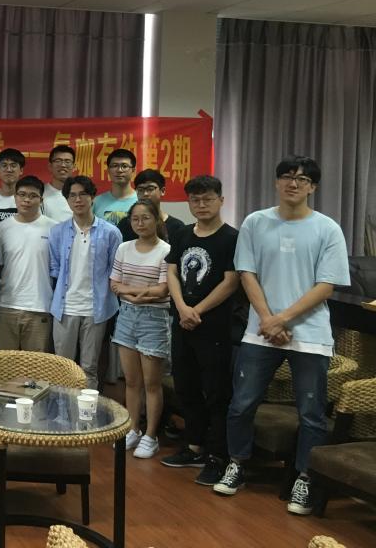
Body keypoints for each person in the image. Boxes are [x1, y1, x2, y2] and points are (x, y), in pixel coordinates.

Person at [213, 156, 350, 517]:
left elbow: (326, 285)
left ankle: (305, 477)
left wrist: (281, 319)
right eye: (287, 177)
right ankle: (237, 463)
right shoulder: (256, 222)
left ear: (313, 187)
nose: (293, 183)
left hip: (310, 334)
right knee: (241, 404)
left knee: (312, 413)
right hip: (260, 331)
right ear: (276, 182)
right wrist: (268, 320)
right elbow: (247, 274)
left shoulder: (327, 229)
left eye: (302, 179)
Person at [162, 175, 241, 487]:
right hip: (182, 322)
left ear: (221, 200)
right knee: (186, 387)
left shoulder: (231, 238)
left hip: (215, 327)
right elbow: (171, 271)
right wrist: (183, 308)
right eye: (195, 200)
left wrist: (197, 310)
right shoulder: (182, 234)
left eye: (208, 199)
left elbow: (231, 281)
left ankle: (217, 456)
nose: (201, 205)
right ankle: (194, 446)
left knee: (217, 392)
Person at [110, 199, 171, 460]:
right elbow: (114, 284)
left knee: (151, 383)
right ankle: (133, 428)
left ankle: (151, 436)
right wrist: (137, 294)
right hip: (126, 315)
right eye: (135, 219)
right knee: (132, 381)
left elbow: (163, 290)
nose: (140, 223)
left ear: (156, 219)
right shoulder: (124, 248)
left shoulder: (166, 250)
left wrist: (131, 291)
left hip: (154, 319)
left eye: (146, 218)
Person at [49, 175, 122, 390]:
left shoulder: (111, 232)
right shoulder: (57, 231)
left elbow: (115, 270)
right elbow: (55, 268)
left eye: (83, 194)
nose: (78, 199)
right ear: (67, 200)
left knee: (89, 367)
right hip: (65, 308)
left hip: (95, 309)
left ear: (92, 197)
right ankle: (62, 410)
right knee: (63, 367)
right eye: (72, 195)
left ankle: (87, 411)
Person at [0, 175, 57, 352]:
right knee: (3, 363)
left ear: (41, 200)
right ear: (15, 197)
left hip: (40, 307)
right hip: (7, 306)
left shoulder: (54, 229)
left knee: (36, 365)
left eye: (33, 196)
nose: (27, 200)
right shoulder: (2, 229)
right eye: (22, 194)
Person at [118, 169, 185, 242]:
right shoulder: (125, 224)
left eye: (150, 189)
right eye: (140, 189)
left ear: (162, 191)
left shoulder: (176, 227)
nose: (145, 194)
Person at [93, 148, 138, 225]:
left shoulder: (140, 200)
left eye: (124, 166)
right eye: (115, 166)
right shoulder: (96, 202)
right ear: (108, 170)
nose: (119, 170)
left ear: (133, 170)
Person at [42, 145, 75, 222]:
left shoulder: (81, 195)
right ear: (50, 166)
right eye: (58, 161)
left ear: (74, 167)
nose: (63, 165)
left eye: (67, 161)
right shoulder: (40, 193)